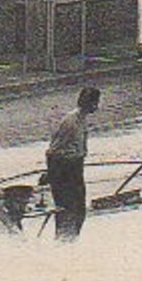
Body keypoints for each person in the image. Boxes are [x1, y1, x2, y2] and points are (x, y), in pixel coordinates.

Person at [46, 86, 100, 240]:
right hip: (64, 166)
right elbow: (55, 149)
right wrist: (53, 174)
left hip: (75, 165)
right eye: (94, 103)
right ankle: (64, 240)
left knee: (79, 208)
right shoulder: (71, 121)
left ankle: (72, 238)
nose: (96, 107)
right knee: (67, 207)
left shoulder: (81, 119)